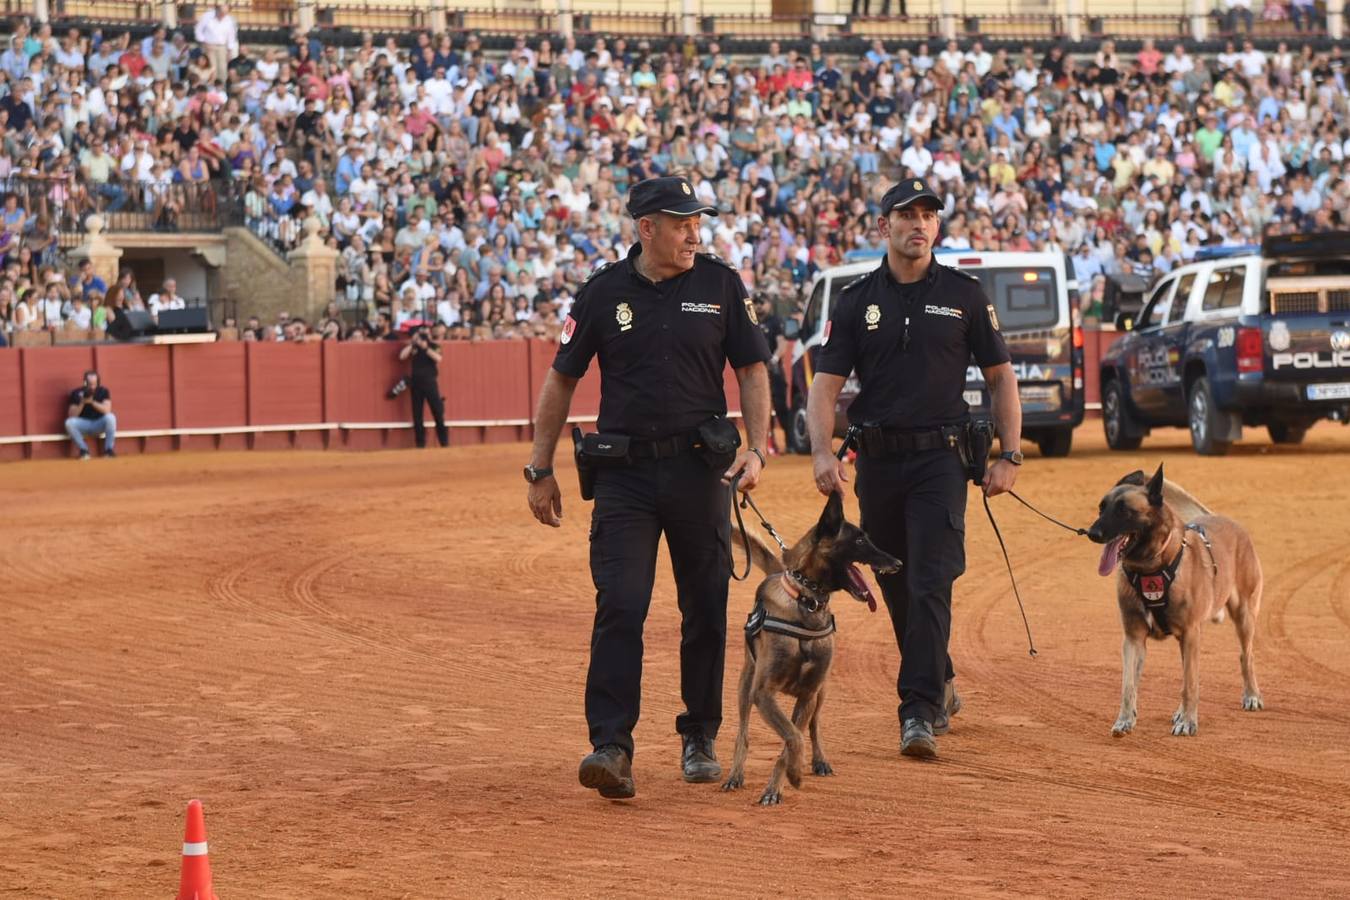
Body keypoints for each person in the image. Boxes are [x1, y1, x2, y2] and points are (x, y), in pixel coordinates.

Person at [524, 176, 771, 800]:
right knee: (621, 605)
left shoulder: (721, 284)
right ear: (646, 229)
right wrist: (540, 466)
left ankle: (700, 735)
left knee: (706, 607)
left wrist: (757, 448)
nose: (694, 232)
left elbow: (752, 368)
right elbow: (561, 379)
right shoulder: (604, 292)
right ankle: (611, 745)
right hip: (625, 479)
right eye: (681, 222)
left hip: (699, 473)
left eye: (697, 222)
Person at [805, 178, 1023, 760]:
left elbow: (1002, 377)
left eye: (929, 215)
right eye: (907, 215)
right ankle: (940, 676)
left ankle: (918, 710)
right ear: (884, 227)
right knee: (897, 581)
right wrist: (823, 454)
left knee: (930, 579)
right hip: (877, 462)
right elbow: (824, 387)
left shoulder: (965, 295)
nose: (919, 224)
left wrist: (1011, 454)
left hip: (940, 462)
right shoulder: (855, 301)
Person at [398, 323, 448, 448]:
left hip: (430, 382)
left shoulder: (433, 346)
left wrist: (425, 348)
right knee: (417, 414)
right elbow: (402, 356)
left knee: (437, 412)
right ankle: (420, 443)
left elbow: (438, 358)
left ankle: (444, 442)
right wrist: (413, 344)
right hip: (416, 383)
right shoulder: (413, 348)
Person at [754, 294, 793, 454]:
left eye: (761, 303)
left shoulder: (775, 321)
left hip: (774, 370)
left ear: (769, 304)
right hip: (757, 371)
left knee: (781, 407)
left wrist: (774, 359)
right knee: (761, 409)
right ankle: (768, 445)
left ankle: (790, 443)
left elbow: (782, 343)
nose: (758, 306)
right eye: (755, 303)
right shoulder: (751, 321)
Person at [65, 369, 117, 460]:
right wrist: (82, 402)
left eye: (94, 383)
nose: (92, 386)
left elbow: (107, 410)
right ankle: (83, 450)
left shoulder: (103, 391)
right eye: (90, 384)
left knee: (111, 417)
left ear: (98, 382)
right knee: (69, 423)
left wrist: (92, 402)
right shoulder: (76, 393)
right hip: (83, 424)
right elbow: (72, 415)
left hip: (99, 423)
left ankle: (109, 450)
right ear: (85, 382)